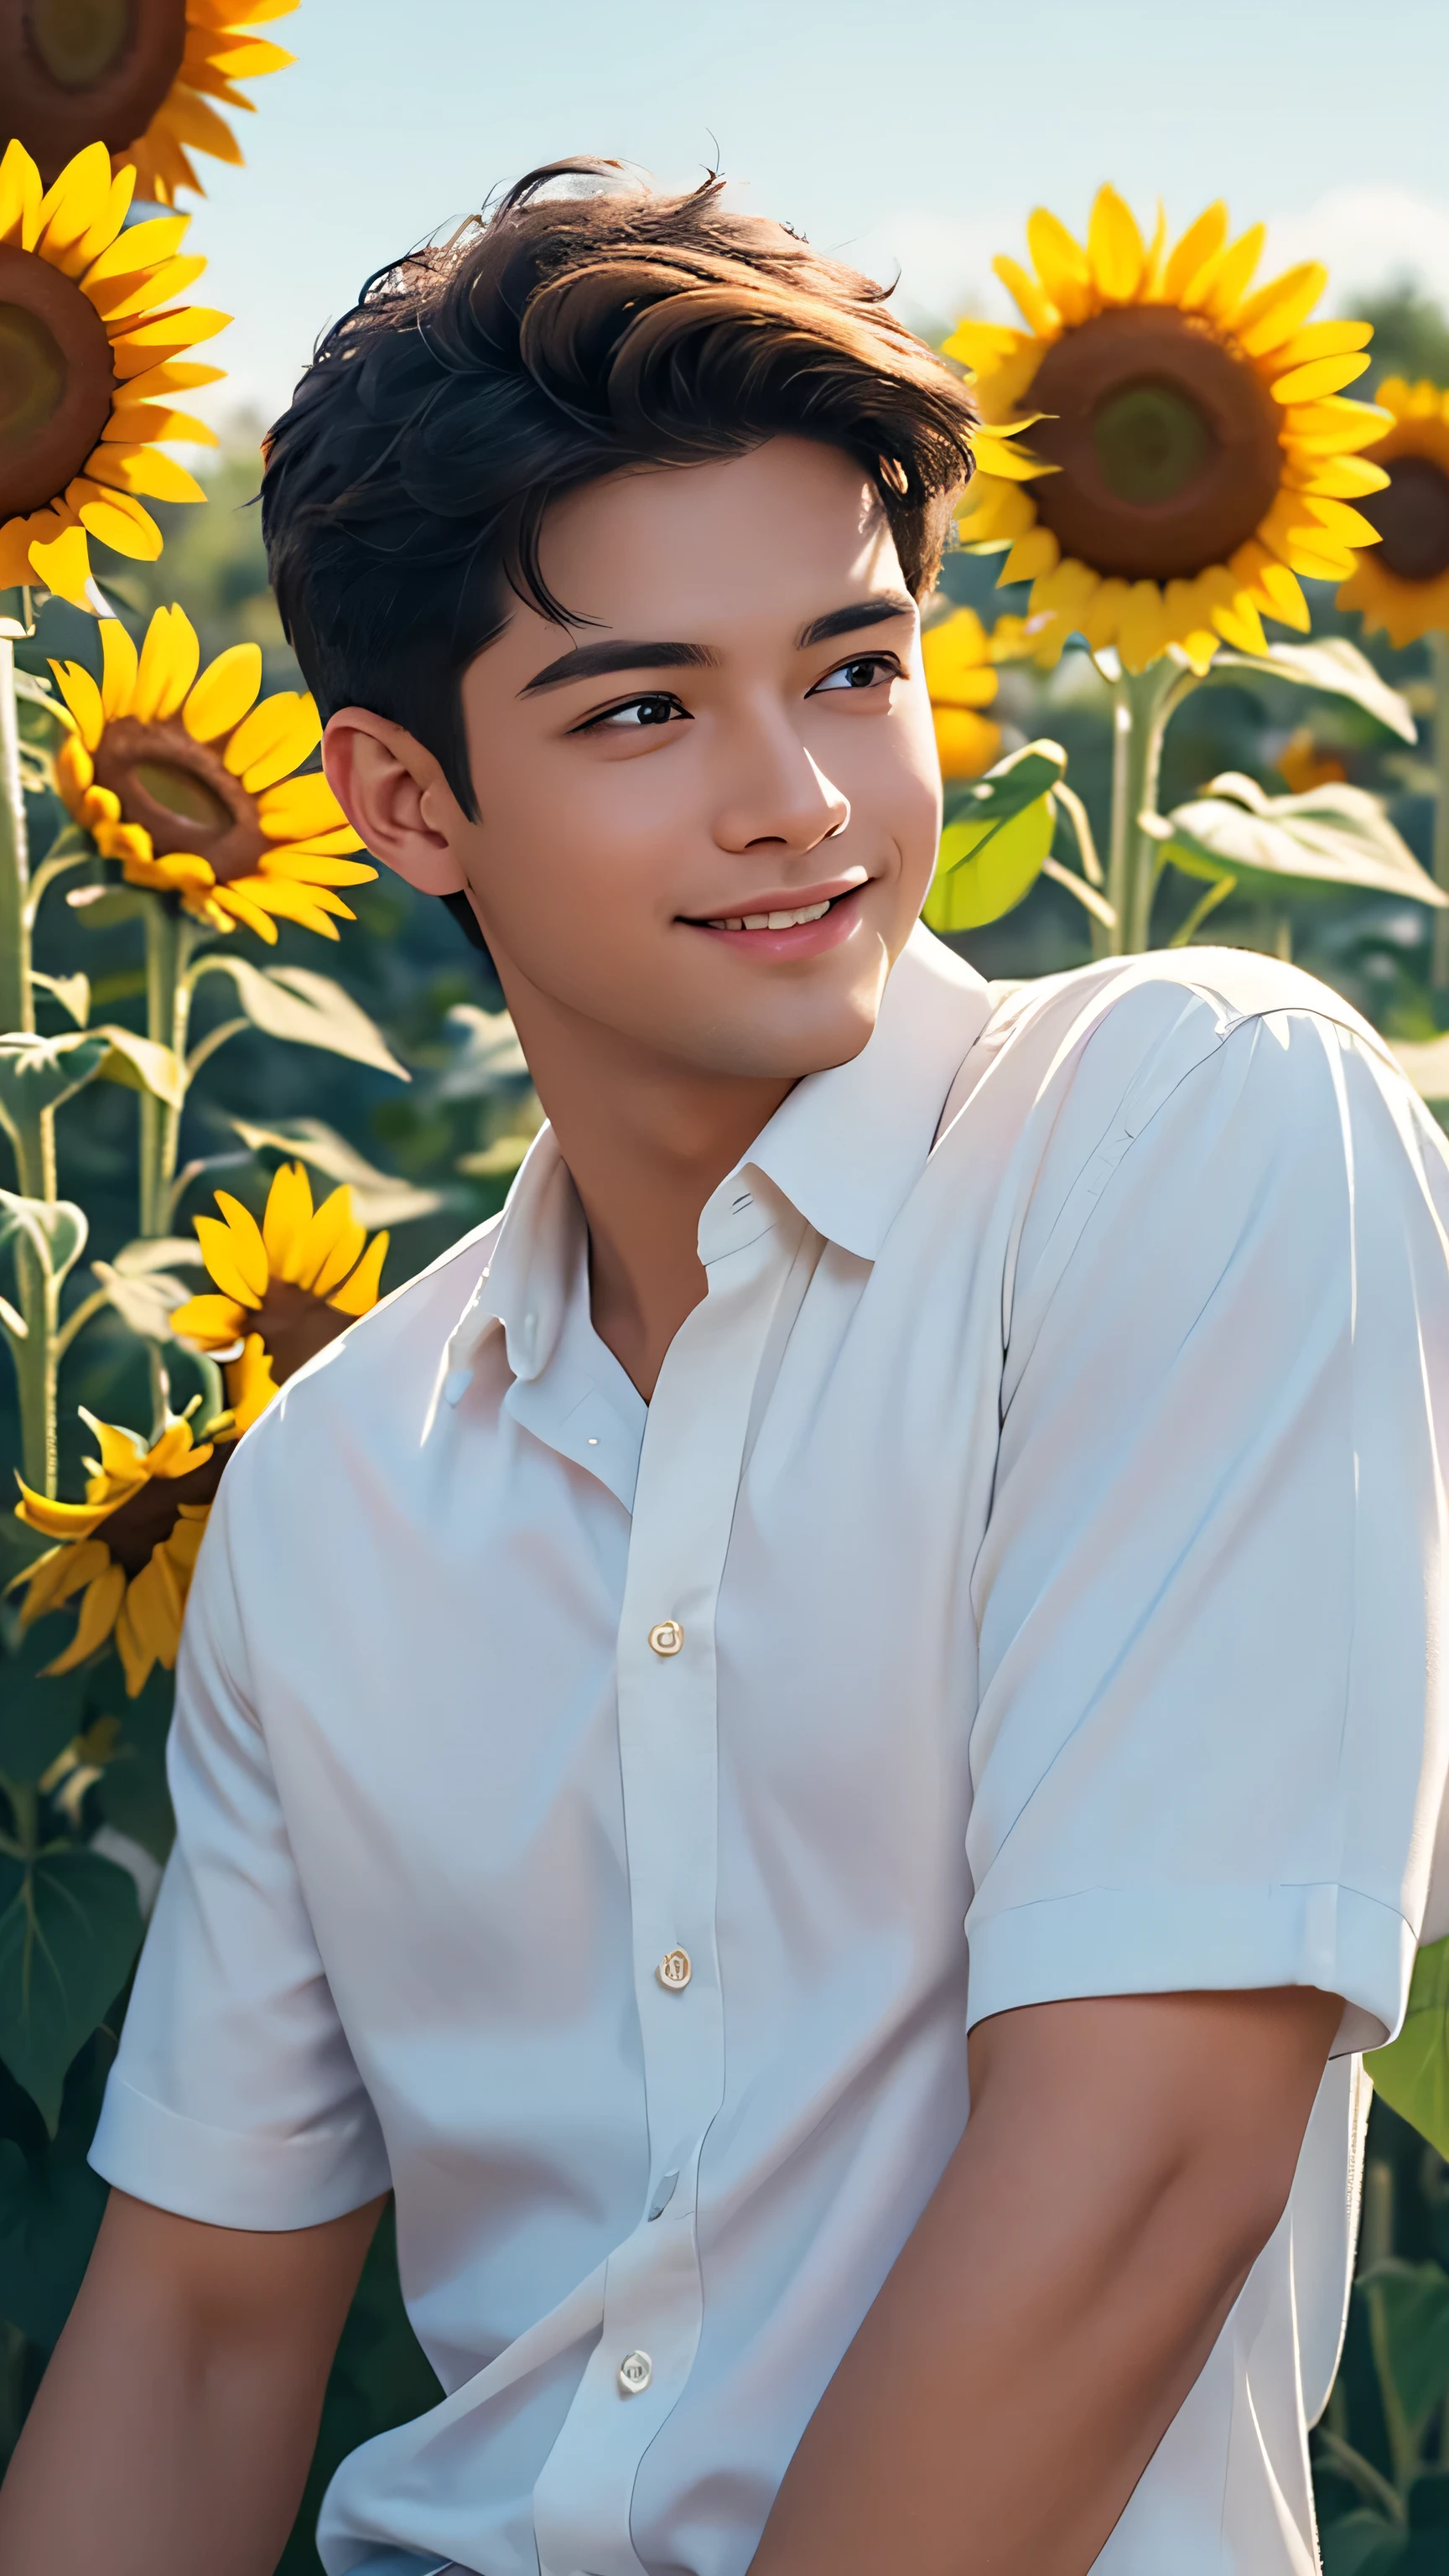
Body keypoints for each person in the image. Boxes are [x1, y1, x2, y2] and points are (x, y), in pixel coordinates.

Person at [3, 158, 1448, 2576]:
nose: (798, 798)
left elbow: (1146, 2167)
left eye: (854, 668)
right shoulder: (334, 1488)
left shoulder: (1189, 1130)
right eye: (646, 705)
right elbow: (197, 2341)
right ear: (401, 800)